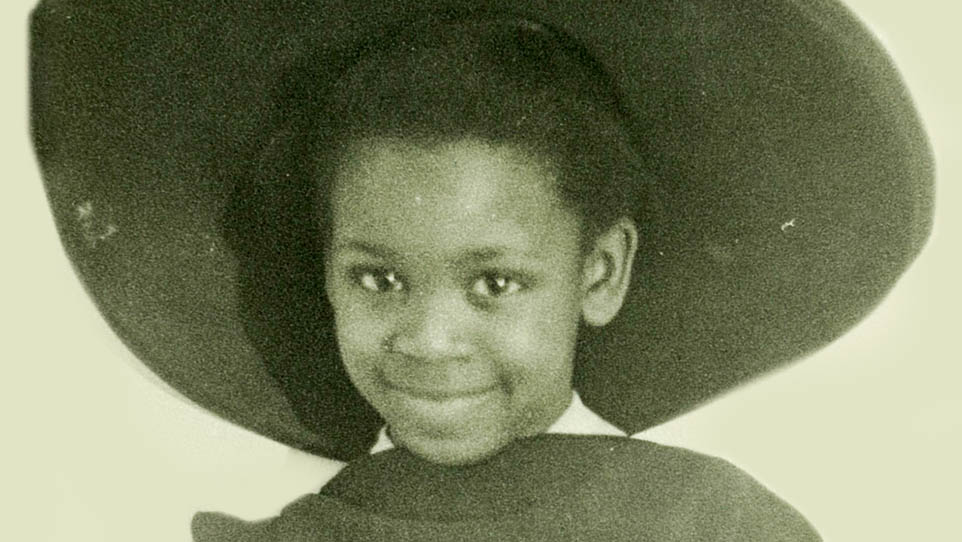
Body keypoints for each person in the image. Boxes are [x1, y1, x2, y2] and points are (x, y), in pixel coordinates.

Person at [29, 1, 933, 540]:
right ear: (325, 274)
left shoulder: (708, 530)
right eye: (379, 279)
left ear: (601, 272)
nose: (429, 341)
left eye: (493, 284)